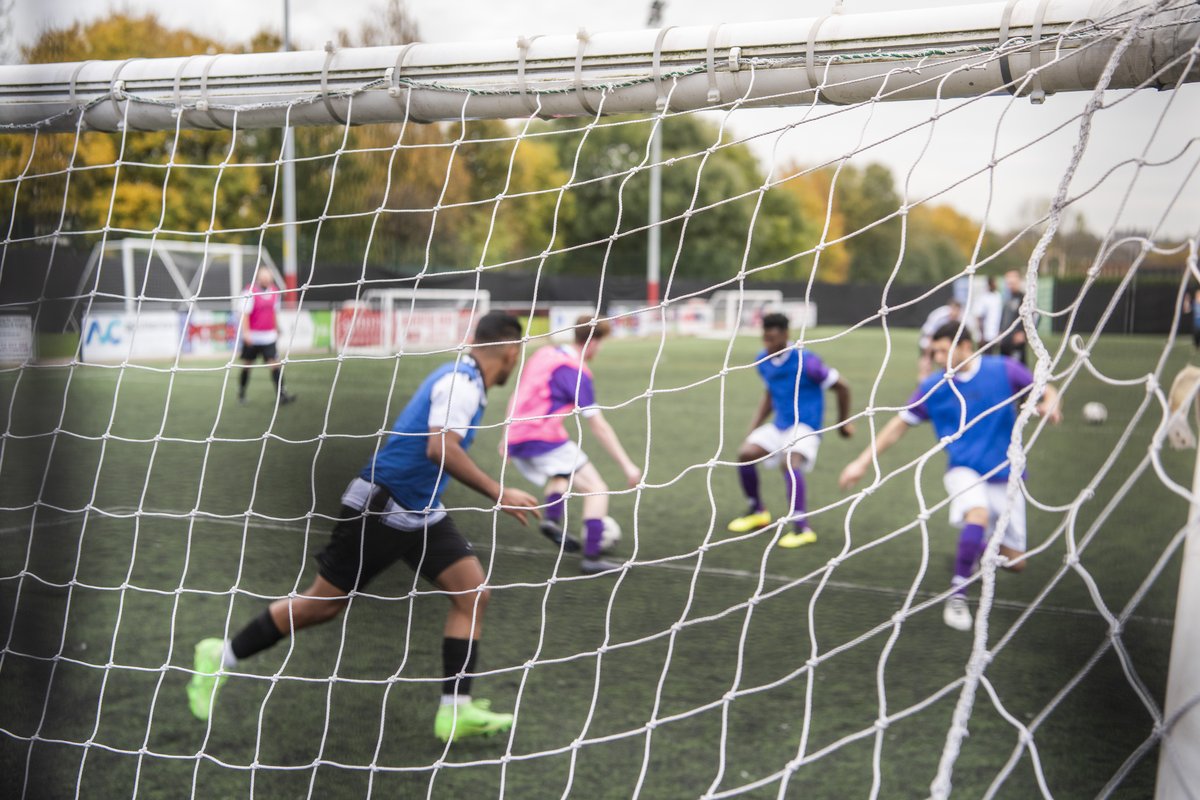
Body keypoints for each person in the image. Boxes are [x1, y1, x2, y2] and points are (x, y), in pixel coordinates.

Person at [188, 311, 541, 744]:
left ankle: (456, 711)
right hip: (383, 504)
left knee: (472, 593)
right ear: (511, 350)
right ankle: (220, 655)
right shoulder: (461, 384)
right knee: (322, 605)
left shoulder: (468, 382)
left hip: (419, 510)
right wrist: (497, 491)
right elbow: (439, 448)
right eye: (519, 354)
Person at [838, 321, 1061, 631]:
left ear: (966, 347)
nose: (938, 358)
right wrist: (862, 462)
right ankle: (958, 595)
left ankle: (975, 546)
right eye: (934, 352)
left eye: (943, 351)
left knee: (1017, 563)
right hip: (963, 469)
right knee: (978, 514)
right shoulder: (933, 386)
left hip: (1007, 474)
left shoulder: (1004, 369)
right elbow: (897, 426)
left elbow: (1047, 388)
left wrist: (1050, 405)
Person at [504, 316, 642, 575]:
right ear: (592, 343)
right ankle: (591, 557)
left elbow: (517, 393)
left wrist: (505, 435)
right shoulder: (575, 370)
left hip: (518, 435)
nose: (598, 351)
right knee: (597, 489)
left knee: (563, 470)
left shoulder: (544, 354)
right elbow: (598, 425)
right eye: (600, 344)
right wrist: (628, 466)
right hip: (541, 435)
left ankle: (552, 521)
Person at [726, 313, 853, 548]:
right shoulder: (762, 361)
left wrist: (844, 423)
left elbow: (842, 387)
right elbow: (770, 395)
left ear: (786, 335)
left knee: (789, 462)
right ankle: (757, 511)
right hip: (780, 425)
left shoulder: (808, 361)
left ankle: (802, 526)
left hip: (806, 426)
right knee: (745, 454)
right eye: (765, 338)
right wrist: (753, 426)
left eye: (773, 338)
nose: (768, 343)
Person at [237, 266, 295, 405]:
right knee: (247, 365)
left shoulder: (275, 291)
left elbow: (274, 312)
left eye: (268, 276)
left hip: (269, 336)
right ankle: (241, 393)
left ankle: (282, 394)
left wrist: (277, 328)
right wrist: (246, 333)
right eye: (263, 276)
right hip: (253, 336)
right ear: (258, 277)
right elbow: (244, 314)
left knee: (275, 364)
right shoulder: (250, 291)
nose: (266, 278)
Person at [917, 299, 970, 380]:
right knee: (926, 361)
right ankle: (923, 379)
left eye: (957, 311)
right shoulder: (939, 315)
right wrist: (928, 355)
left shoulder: (963, 318)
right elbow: (929, 335)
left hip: (948, 344)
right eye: (952, 310)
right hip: (929, 340)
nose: (954, 314)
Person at [998, 270, 1030, 365]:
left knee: (1017, 368)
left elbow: (1035, 317)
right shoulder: (1007, 299)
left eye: (1012, 283)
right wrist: (1000, 332)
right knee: (1005, 368)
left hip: (1016, 343)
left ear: (1019, 282)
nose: (1010, 285)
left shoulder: (1024, 299)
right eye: (1008, 283)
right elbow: (1003, 317)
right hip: (1005, 341)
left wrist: (1023, 333)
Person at [974, 276, 1003, 347]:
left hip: (995, 335)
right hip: (985, 337)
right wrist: (982, 335)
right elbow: (979, 317)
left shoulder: (997, 296)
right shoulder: (983, 297)